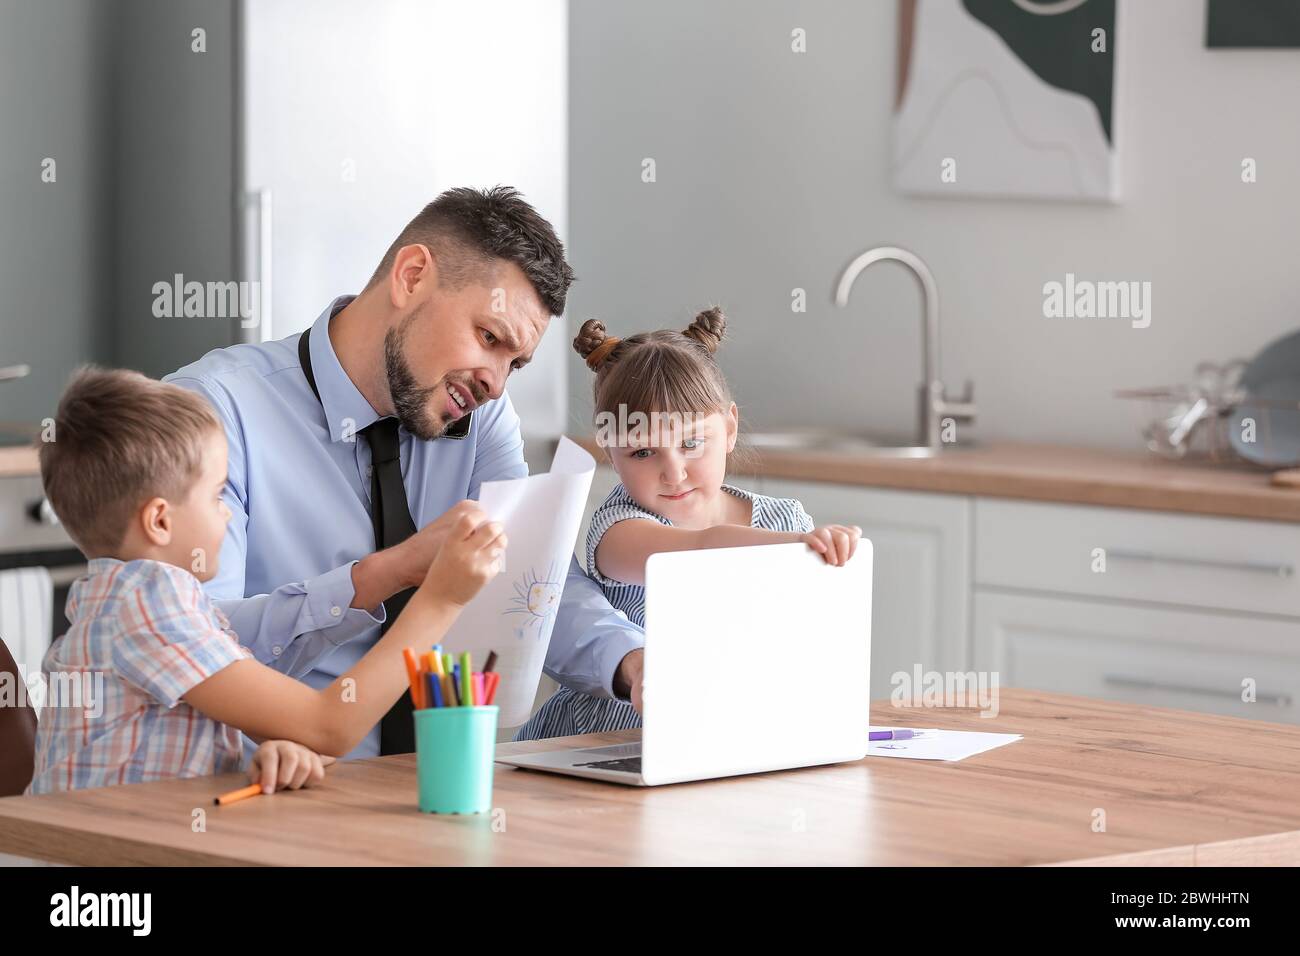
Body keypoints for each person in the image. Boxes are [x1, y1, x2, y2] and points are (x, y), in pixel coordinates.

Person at [164, 185, 645, 757]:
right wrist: (381, 575)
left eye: (513, 362)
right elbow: (199, 644)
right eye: (488, 337)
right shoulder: (216, 410)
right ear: (412, 276)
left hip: (440, 782)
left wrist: (632, 660)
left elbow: (534, 586)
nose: (495, 382)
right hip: (266, 789)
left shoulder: (482, 418)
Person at [28, 368, 505, 794]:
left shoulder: (121, 599)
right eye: (217, 495)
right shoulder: (149, 603)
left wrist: (272, 751)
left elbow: (218, 724)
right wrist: (441, 600)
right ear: (159, 521)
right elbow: (330, 725)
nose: (228, 513)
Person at [514, 308, 860, 740]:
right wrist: (801, 549)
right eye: (642, 452)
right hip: (603, 737)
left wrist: (822, 556)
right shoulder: (619, 528)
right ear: (611, 451)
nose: (673, 472)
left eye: (691, 443)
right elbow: (701, 549)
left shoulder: (785, 520)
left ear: (729, 428)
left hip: (722, 734)